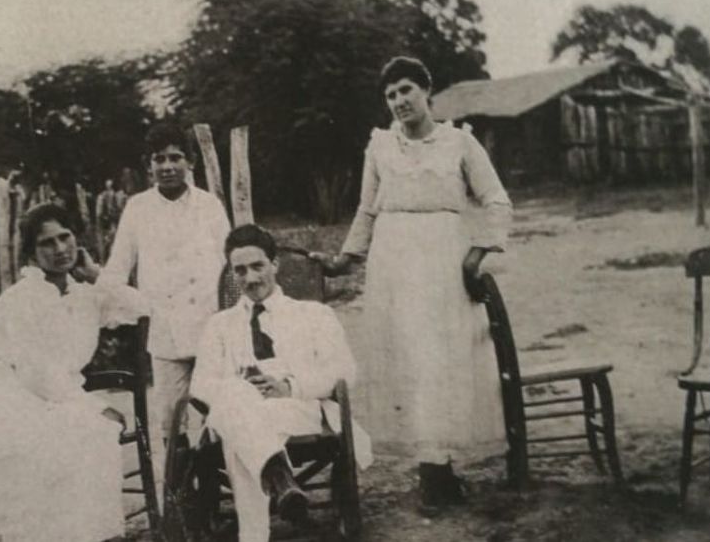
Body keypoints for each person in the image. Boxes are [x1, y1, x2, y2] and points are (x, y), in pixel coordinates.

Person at [312, 55, 512, 510]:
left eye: (406, 90)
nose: (399, 101)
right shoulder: (380, 146)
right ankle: (432, 471)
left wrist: (478, 253)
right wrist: (345, 259)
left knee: (440, 361)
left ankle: (437, 468)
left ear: (427, 91)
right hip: (393, 263)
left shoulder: (460, 143)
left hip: (443, 259)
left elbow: (497, 201)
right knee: (406, 360)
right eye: (390, 94)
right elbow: (366, 210)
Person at [0, 204, 145, 542]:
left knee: (91, 436)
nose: (59, 250)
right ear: (31, 254)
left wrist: (96, 274)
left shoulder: (85, 294)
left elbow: (140, 308)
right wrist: (94, 407)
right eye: (47, 244)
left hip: (58, 396)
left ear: (77, 240)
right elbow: (36, 372)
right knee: (74, 441)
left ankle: (94, 535)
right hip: (15, 398)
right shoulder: (21, 300)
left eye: (65, 237)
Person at [193, 224, 371, 542]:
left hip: (300, 410)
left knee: (237, 423)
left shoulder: (314, 314)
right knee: (236, 400)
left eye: (258, 266)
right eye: (240, 270)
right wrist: (243, 389)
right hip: (244, 410)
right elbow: (201, 384)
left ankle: (255, 534)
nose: (250, 278)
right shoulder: (218, 325)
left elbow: (345, 371)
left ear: (275, 264)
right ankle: (280, 478)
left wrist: (291, 387)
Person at [99, 122, 231, 489]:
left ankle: (217, 490)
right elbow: (116, 269)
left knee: (217, 413)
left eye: (176, 157)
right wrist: (135, 305)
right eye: (160, 159)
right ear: (149, 166)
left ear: (190, 162)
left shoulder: (209, 205)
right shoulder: (138, 209)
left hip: (211, 330)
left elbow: (229, 265)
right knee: (170, 422)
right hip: (167, 334)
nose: (168, 166)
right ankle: (181, 500)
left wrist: (232, 321)